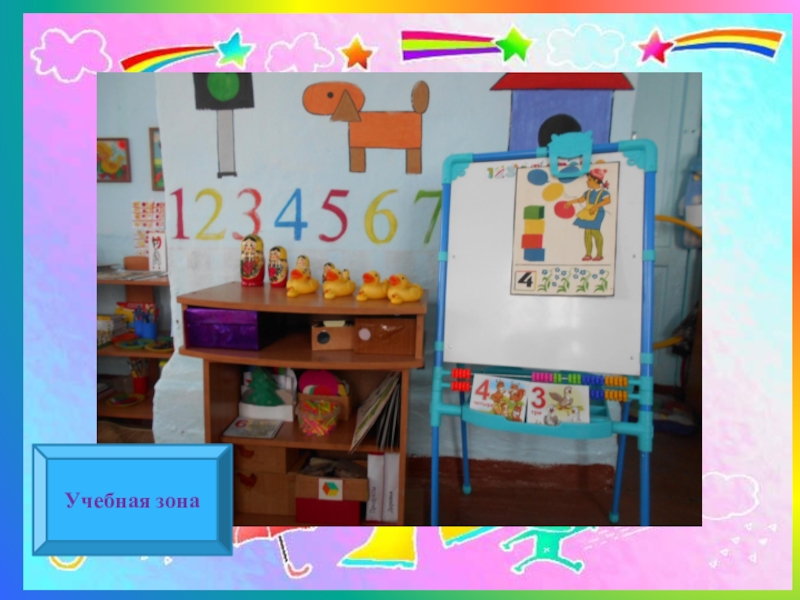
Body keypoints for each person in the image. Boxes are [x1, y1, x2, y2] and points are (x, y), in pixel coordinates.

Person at [565, 168, 611, 261]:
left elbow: (607, 200)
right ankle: (588, 254)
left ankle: (599, 254)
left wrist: (596, 206)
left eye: (589, 180)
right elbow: (581, 199)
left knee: (595, 232)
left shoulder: (603, 192)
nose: (587, 182)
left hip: (598, 213)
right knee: (587, 233)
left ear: (596, 180)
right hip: (588, 212)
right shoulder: (588, 192)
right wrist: (571, 202)